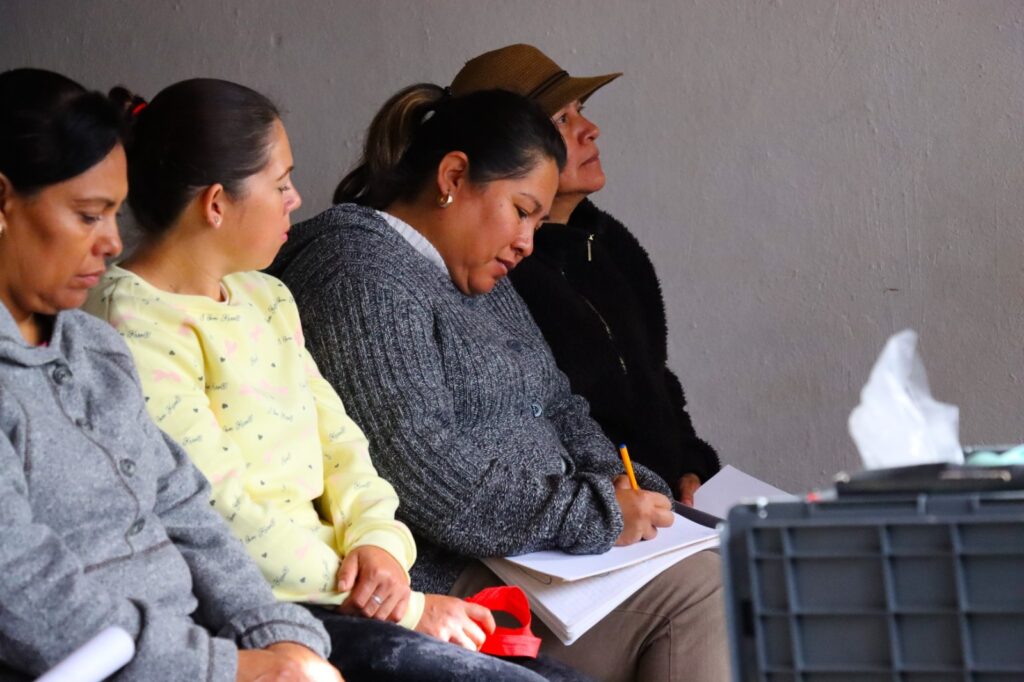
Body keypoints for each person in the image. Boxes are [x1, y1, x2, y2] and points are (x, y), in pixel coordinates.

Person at [84, 78, 581, 682]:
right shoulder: (133, 323)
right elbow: (215, 511)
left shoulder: (265, 295)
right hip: (264, 609)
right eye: (281, 183)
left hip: (345, 591)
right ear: (217, 203)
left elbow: (344, 448)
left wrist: (380, 546)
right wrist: (398, 602)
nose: (296, 199)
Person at [267, 84, 730, 681]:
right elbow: (422, 472)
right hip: (459, 567)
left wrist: (618, 481)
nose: (527, 242)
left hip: (547, 556)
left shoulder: (475, 273)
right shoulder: (356, 273)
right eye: (521, 211)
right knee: (707, 598)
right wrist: (597, 515)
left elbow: (560, 403)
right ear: (453, 176)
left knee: (740, 571)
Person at [0, 68, 339, 682]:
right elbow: (24, 593)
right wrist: (236, 669)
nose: (110, 244)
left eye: (115, 215)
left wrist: (280, 640)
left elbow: (186, 508)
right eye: (87, 216)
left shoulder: (93, 349)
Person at [449, 44, 721, 505]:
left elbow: (655, 376)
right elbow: (529, 420)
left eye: (581, 111)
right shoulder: (494, 272)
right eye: (560, 121)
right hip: (591, 519)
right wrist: (607, 504)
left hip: (666, 506)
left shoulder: (611, 242)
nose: (590, 130)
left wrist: (691, 464)